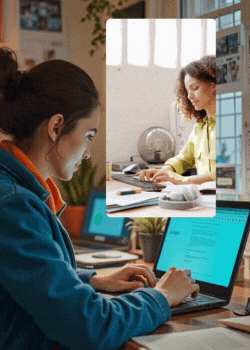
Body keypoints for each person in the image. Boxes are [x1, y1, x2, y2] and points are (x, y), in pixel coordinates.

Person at [0, 47, 199, 350]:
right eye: (90, 134)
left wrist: (91, 280)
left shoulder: (14, 191)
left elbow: (24, 277)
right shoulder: (14, 205)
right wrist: (161, 296)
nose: (89, 151)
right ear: (56, 127)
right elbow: (90, 324)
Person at [139, 56, 216, 186]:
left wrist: (183, 180)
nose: (189, 96)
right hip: (204, 199)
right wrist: (163, 171)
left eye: (195, 88)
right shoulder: (200, 127)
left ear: (213, 85)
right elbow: (183, 159)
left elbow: (230, 173)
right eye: (187, 91)